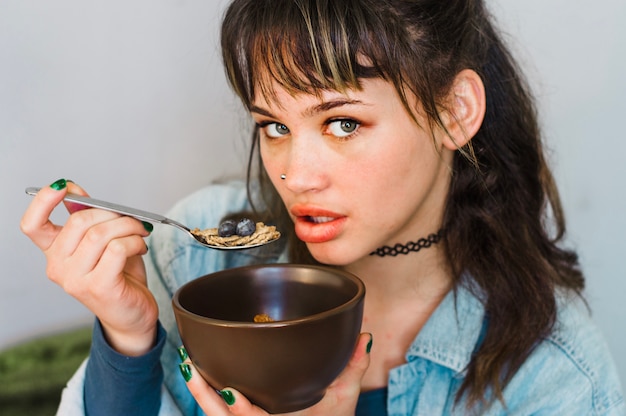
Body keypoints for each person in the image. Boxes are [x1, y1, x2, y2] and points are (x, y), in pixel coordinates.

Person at [20, 0, 625, 415]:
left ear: (455, 111)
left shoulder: (553, 374)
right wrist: (128, 340)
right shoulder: (193, 263)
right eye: (273, 126)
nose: (293, 174)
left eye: (342, 122)